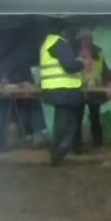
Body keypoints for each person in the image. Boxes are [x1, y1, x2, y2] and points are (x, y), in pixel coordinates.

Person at [39, 27, 90, 166]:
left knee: (62, 123)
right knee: (69, 124)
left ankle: (58, 152)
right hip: (63, 90)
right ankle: (59, 152)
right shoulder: (58, 43)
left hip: (57, 90)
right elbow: (69, 66)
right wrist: (82, 63)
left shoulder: (48, 42)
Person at [76, 29, 111, 150]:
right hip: (79, 89)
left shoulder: (97, 52)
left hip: (94, 90)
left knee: (94, 117)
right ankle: (78, 145)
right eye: (83, 39)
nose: (86, 41)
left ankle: (97, 143)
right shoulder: (75, 53)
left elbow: (104, 71)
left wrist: (104, 88)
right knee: (78, 118)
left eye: (88, 39)